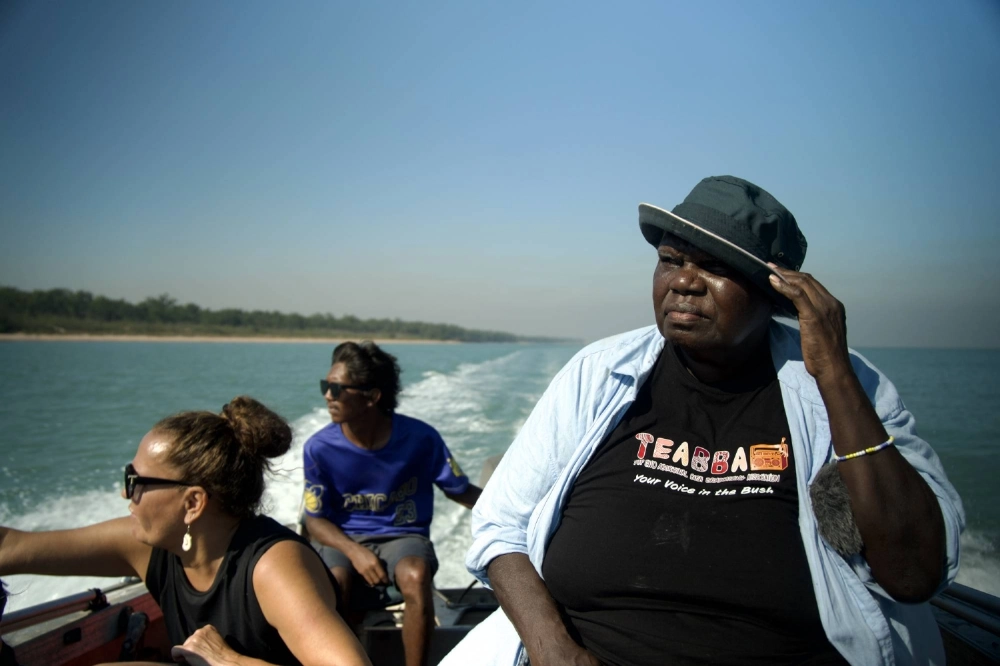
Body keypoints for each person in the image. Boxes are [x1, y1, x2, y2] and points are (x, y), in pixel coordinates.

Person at [443, 176, 965, 666]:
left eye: (716, 268)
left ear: (778, 292)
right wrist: (553, 648)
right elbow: (500, 525)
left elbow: (916, 575)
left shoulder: (845, 388)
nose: (684, 282)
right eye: (670, 260)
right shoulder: (600, 373)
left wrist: (834, 375)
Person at [0, 396, 371, 666]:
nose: (124, 492)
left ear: (193, 502)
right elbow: (13, 547)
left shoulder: (273, 566)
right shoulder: (149, 546)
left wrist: (230, 662)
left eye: (135, 481)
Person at [302, 341, 482, 666]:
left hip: (402, 537)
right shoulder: (319, 449)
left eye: (337, 388)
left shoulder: (421, 439)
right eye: (325, 386)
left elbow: (459, 490)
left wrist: (518, 512)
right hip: (342, 538)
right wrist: (356, 552)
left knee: (415, 575)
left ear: (372, 397)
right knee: (337, 582)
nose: (328, 395)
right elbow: (314, 520)